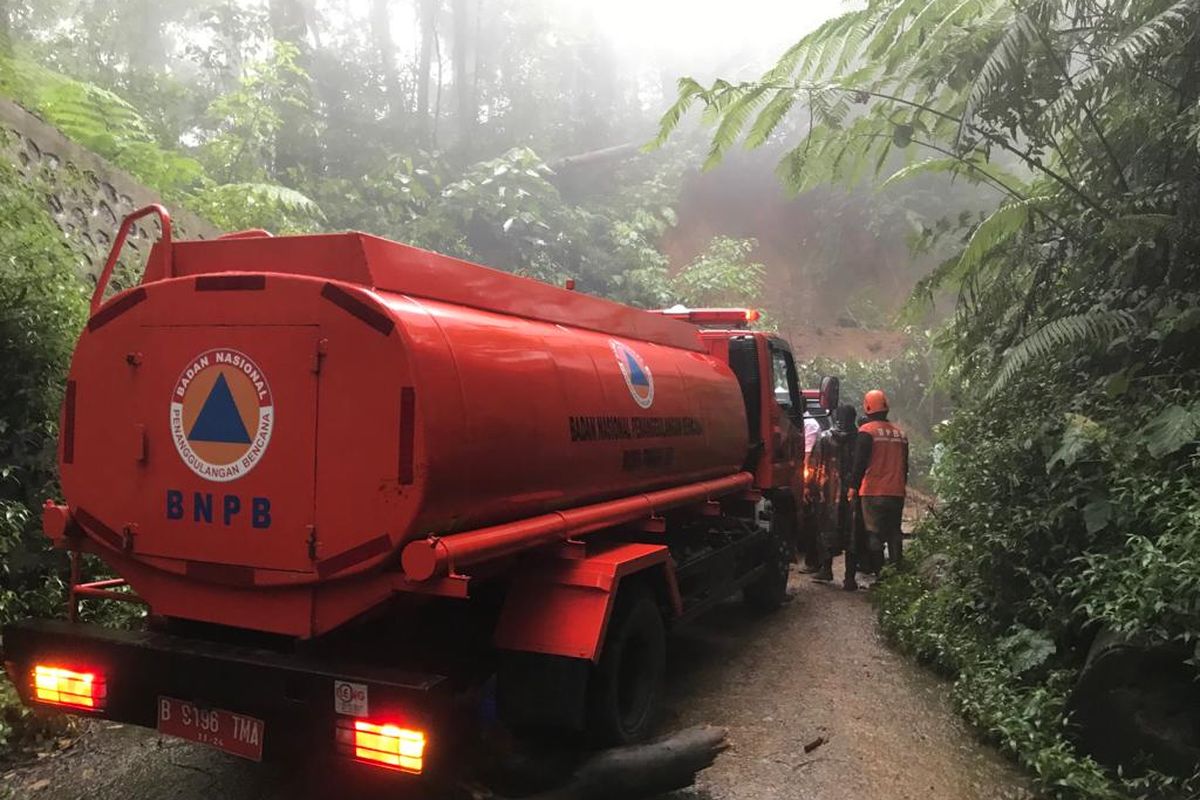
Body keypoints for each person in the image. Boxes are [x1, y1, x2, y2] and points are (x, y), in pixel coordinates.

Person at [848, 389, 908, 573]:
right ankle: (896, 574)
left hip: (872, 492)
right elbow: (905, 465)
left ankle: (880, 574)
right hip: (896, 491)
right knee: (894, 532)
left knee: (873, 533)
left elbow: (859, 463)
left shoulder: (867, 431)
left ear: (867, 408)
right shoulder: (900, 433)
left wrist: (853, 487)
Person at [808, 404, 860, 590]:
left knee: (825, 529)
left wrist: (810, 487)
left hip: (827, 493)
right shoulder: (860, 438)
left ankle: (826, 569)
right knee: (852, 534)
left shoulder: (824, 438)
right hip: (853, 493)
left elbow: (814, 466)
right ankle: (849, 578)